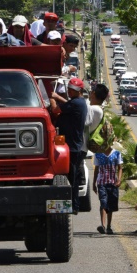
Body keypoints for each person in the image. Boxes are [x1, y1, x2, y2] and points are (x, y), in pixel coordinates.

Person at [50, 77, 88, 214]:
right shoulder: (79, 103)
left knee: (72, 178)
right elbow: (68, 104)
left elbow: (55, 110)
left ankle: (74, 206)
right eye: (70, 90)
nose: (70, 92)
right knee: (73, 177)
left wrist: (52, 97)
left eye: (73, 90)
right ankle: (74, 205)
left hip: (71, 147)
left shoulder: (75, 103)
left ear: (79, 91)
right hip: (74, 145)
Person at [93, 146, 123, 234]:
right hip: (101, 182)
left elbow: (120, 167)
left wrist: (119, 180)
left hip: (113, 183)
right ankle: (103, 226)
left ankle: (109, 226)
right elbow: (96, 169)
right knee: (103, 203)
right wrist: (94, 183)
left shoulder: (117, 153)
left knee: (111, 204)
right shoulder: (98, 154)